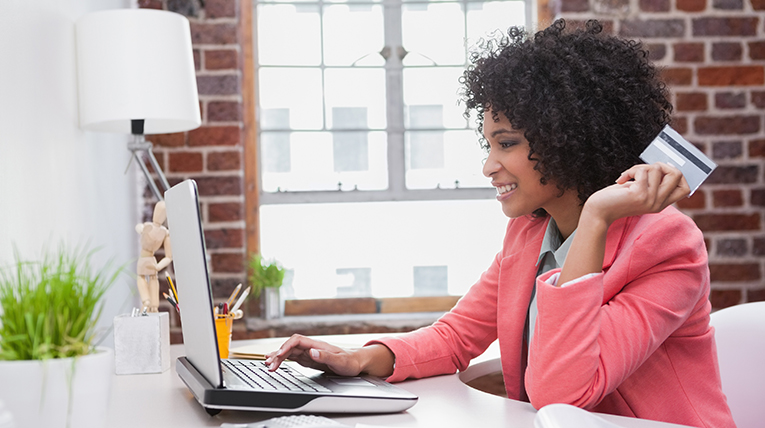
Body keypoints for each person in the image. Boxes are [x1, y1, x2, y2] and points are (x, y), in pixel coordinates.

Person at [265, 19, 735, 428]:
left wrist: (595, 217)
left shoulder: (668, 245)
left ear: (567, 139)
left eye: (506, 143)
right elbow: (455, 337)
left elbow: (563, 392)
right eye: (489, 144)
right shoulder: (530, 232)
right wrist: (358, 359)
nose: (489, 166)